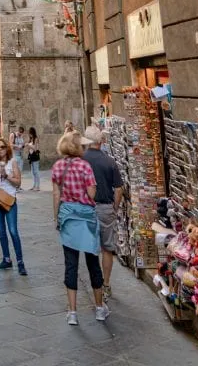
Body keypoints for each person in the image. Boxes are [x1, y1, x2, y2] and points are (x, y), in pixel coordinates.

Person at [52, 130, 109, 325]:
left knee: (71, 264)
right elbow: (92, 194)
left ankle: (72, 312)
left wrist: (56, 218)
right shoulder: (85, 166)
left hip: (67, 217)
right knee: (93, 262)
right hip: (86, 218)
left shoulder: (58, 166)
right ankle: (100, 308)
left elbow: (56, 195)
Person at [82, 125, 123, 299]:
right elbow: (119, 188)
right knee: (107, 249)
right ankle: (106, 283)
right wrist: (114, 207)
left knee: (92, 250)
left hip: (87, 208)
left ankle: (96, 285)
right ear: (101, 142)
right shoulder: (110, 161)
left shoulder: (82, 160)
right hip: (106, 208)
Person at [0, 138, 27, 275]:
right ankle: (6, 259)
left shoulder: (13, 162)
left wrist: (7, 176)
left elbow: (18, 182)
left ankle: (20, 261)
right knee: (1, 231)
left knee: (13, 231)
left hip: (10, 199)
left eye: (2, 147)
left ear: (7, 148)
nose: (0, 150)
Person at [27, 127, 41, 192]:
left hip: (35, 156)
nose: (29, 135)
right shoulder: (30, 139)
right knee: (33, 172)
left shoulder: (36, 139)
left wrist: (29, 145)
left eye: (30, 133)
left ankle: (37, 186)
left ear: (32, 133)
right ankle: (34, 185)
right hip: (31, 157)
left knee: (36, 172)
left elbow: (35, 148)